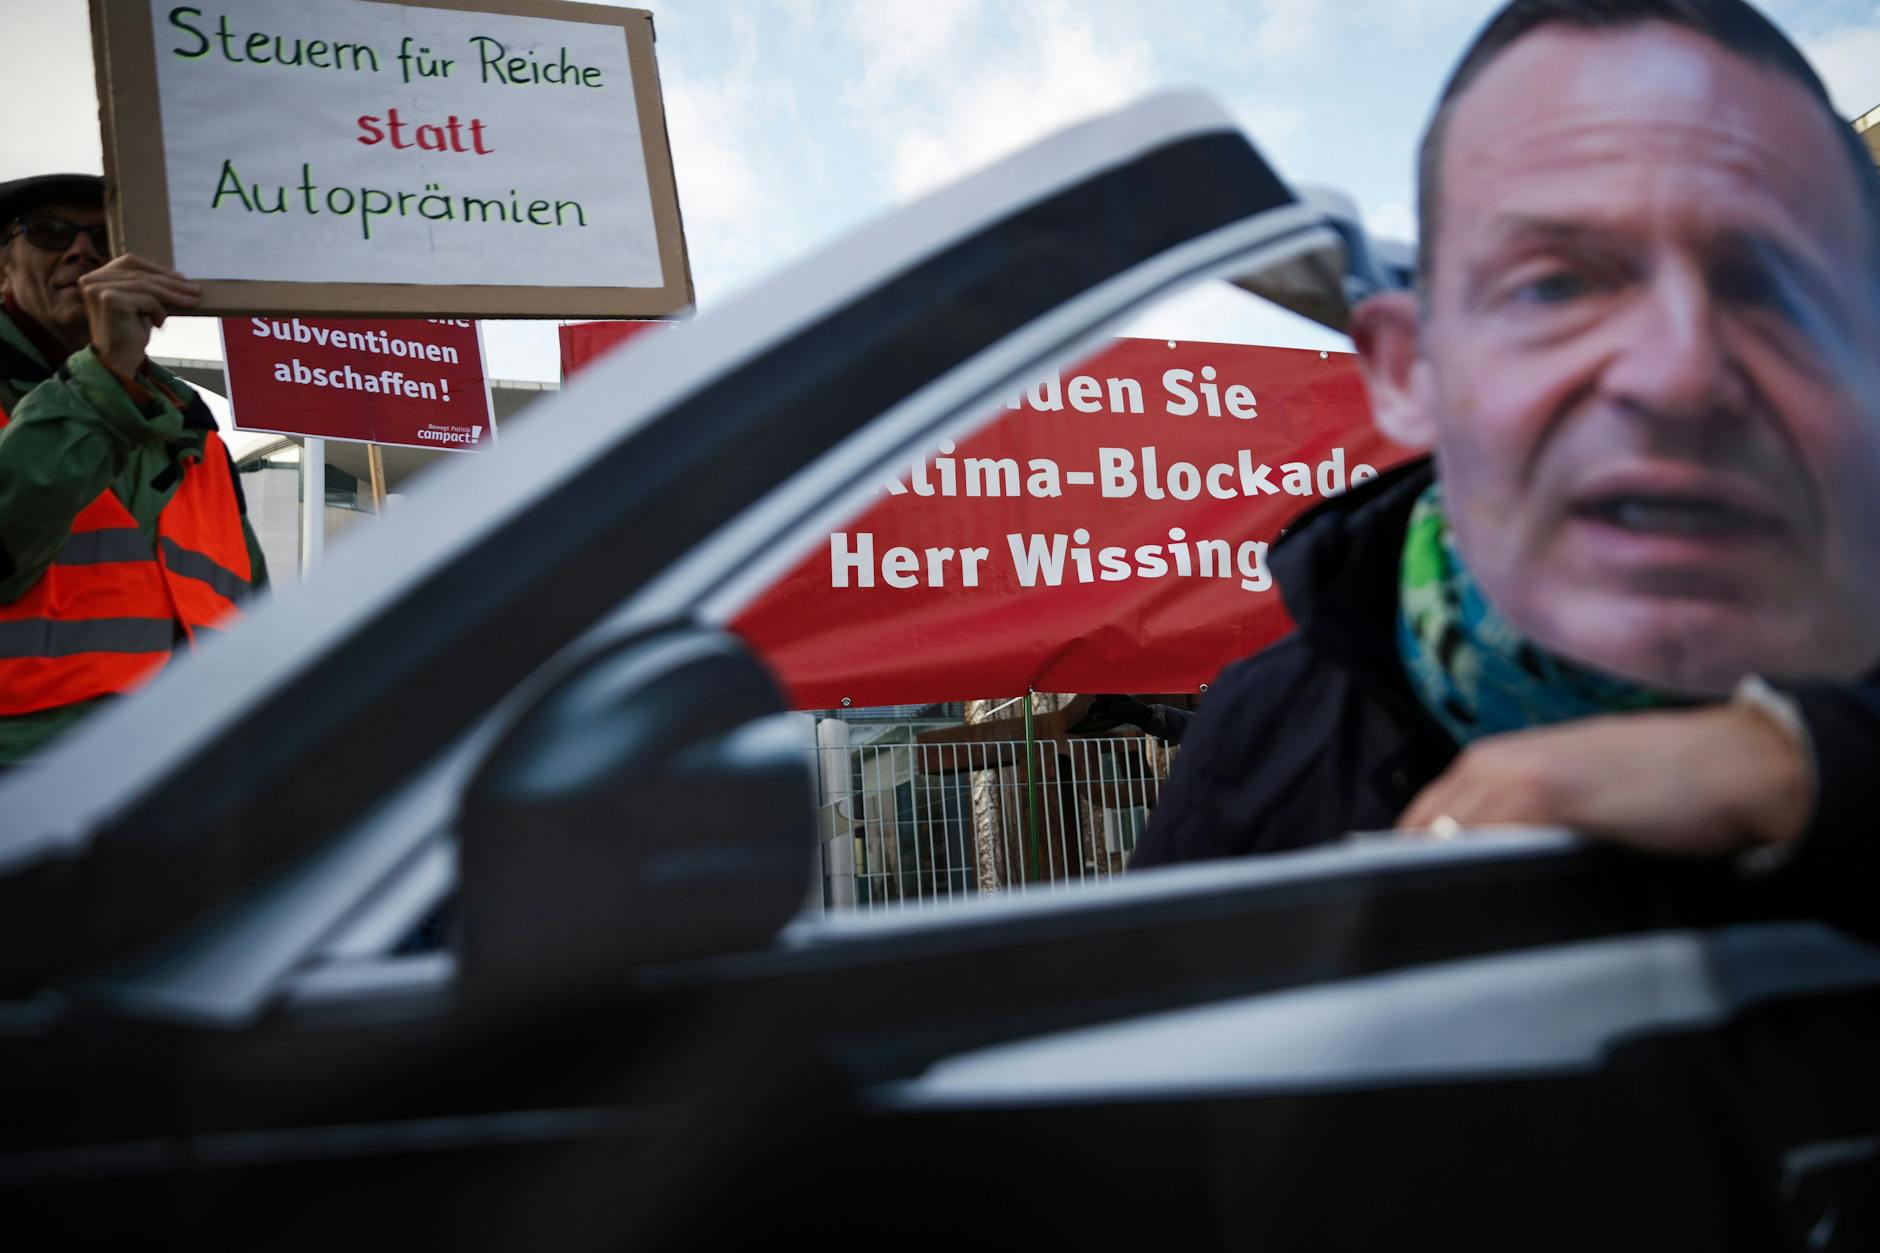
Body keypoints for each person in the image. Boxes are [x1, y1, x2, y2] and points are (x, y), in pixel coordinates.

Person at [1132, 0, 1880, 902]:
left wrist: (1808, 762)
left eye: (1774, 286)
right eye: (1557, 284)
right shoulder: (1259, 750)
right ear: (1410, 371)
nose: (1678, 372)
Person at [0, 173, 266, 765]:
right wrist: (107, 371)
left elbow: (253, 624)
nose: (82, 250)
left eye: (106, 237)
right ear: (2, 271)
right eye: (48, 232)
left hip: (183, 781)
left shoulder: (198, 442)